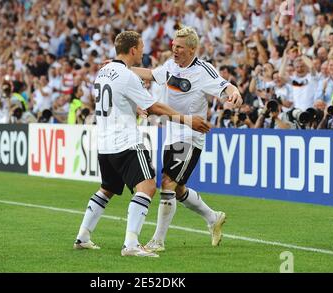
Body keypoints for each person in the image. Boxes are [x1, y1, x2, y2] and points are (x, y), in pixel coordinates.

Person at [73, 31, 212, 258]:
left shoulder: (103, 72)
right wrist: (188, 120)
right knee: (147, 187)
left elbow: (117, 101)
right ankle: (131, 244)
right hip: (126, 143)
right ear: (133, 50)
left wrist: (136, 108)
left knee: (107, 189)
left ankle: (83, 236)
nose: (144, 51)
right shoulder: (127, 76)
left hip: (105, 144)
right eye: (142, 47)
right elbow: (156, 107)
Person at [129, 26, 243, 252]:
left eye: (179, 47)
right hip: (171, 133)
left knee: (167, 182)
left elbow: (225, 85)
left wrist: (235, 92)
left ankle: (158, 241)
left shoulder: (203, 70)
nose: (174, 50)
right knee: (178, 189)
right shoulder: (171, 66)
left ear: (192, 49)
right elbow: (151, 74)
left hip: (191, 135)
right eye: (173, 46)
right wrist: (123, 69)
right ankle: (213, 217)